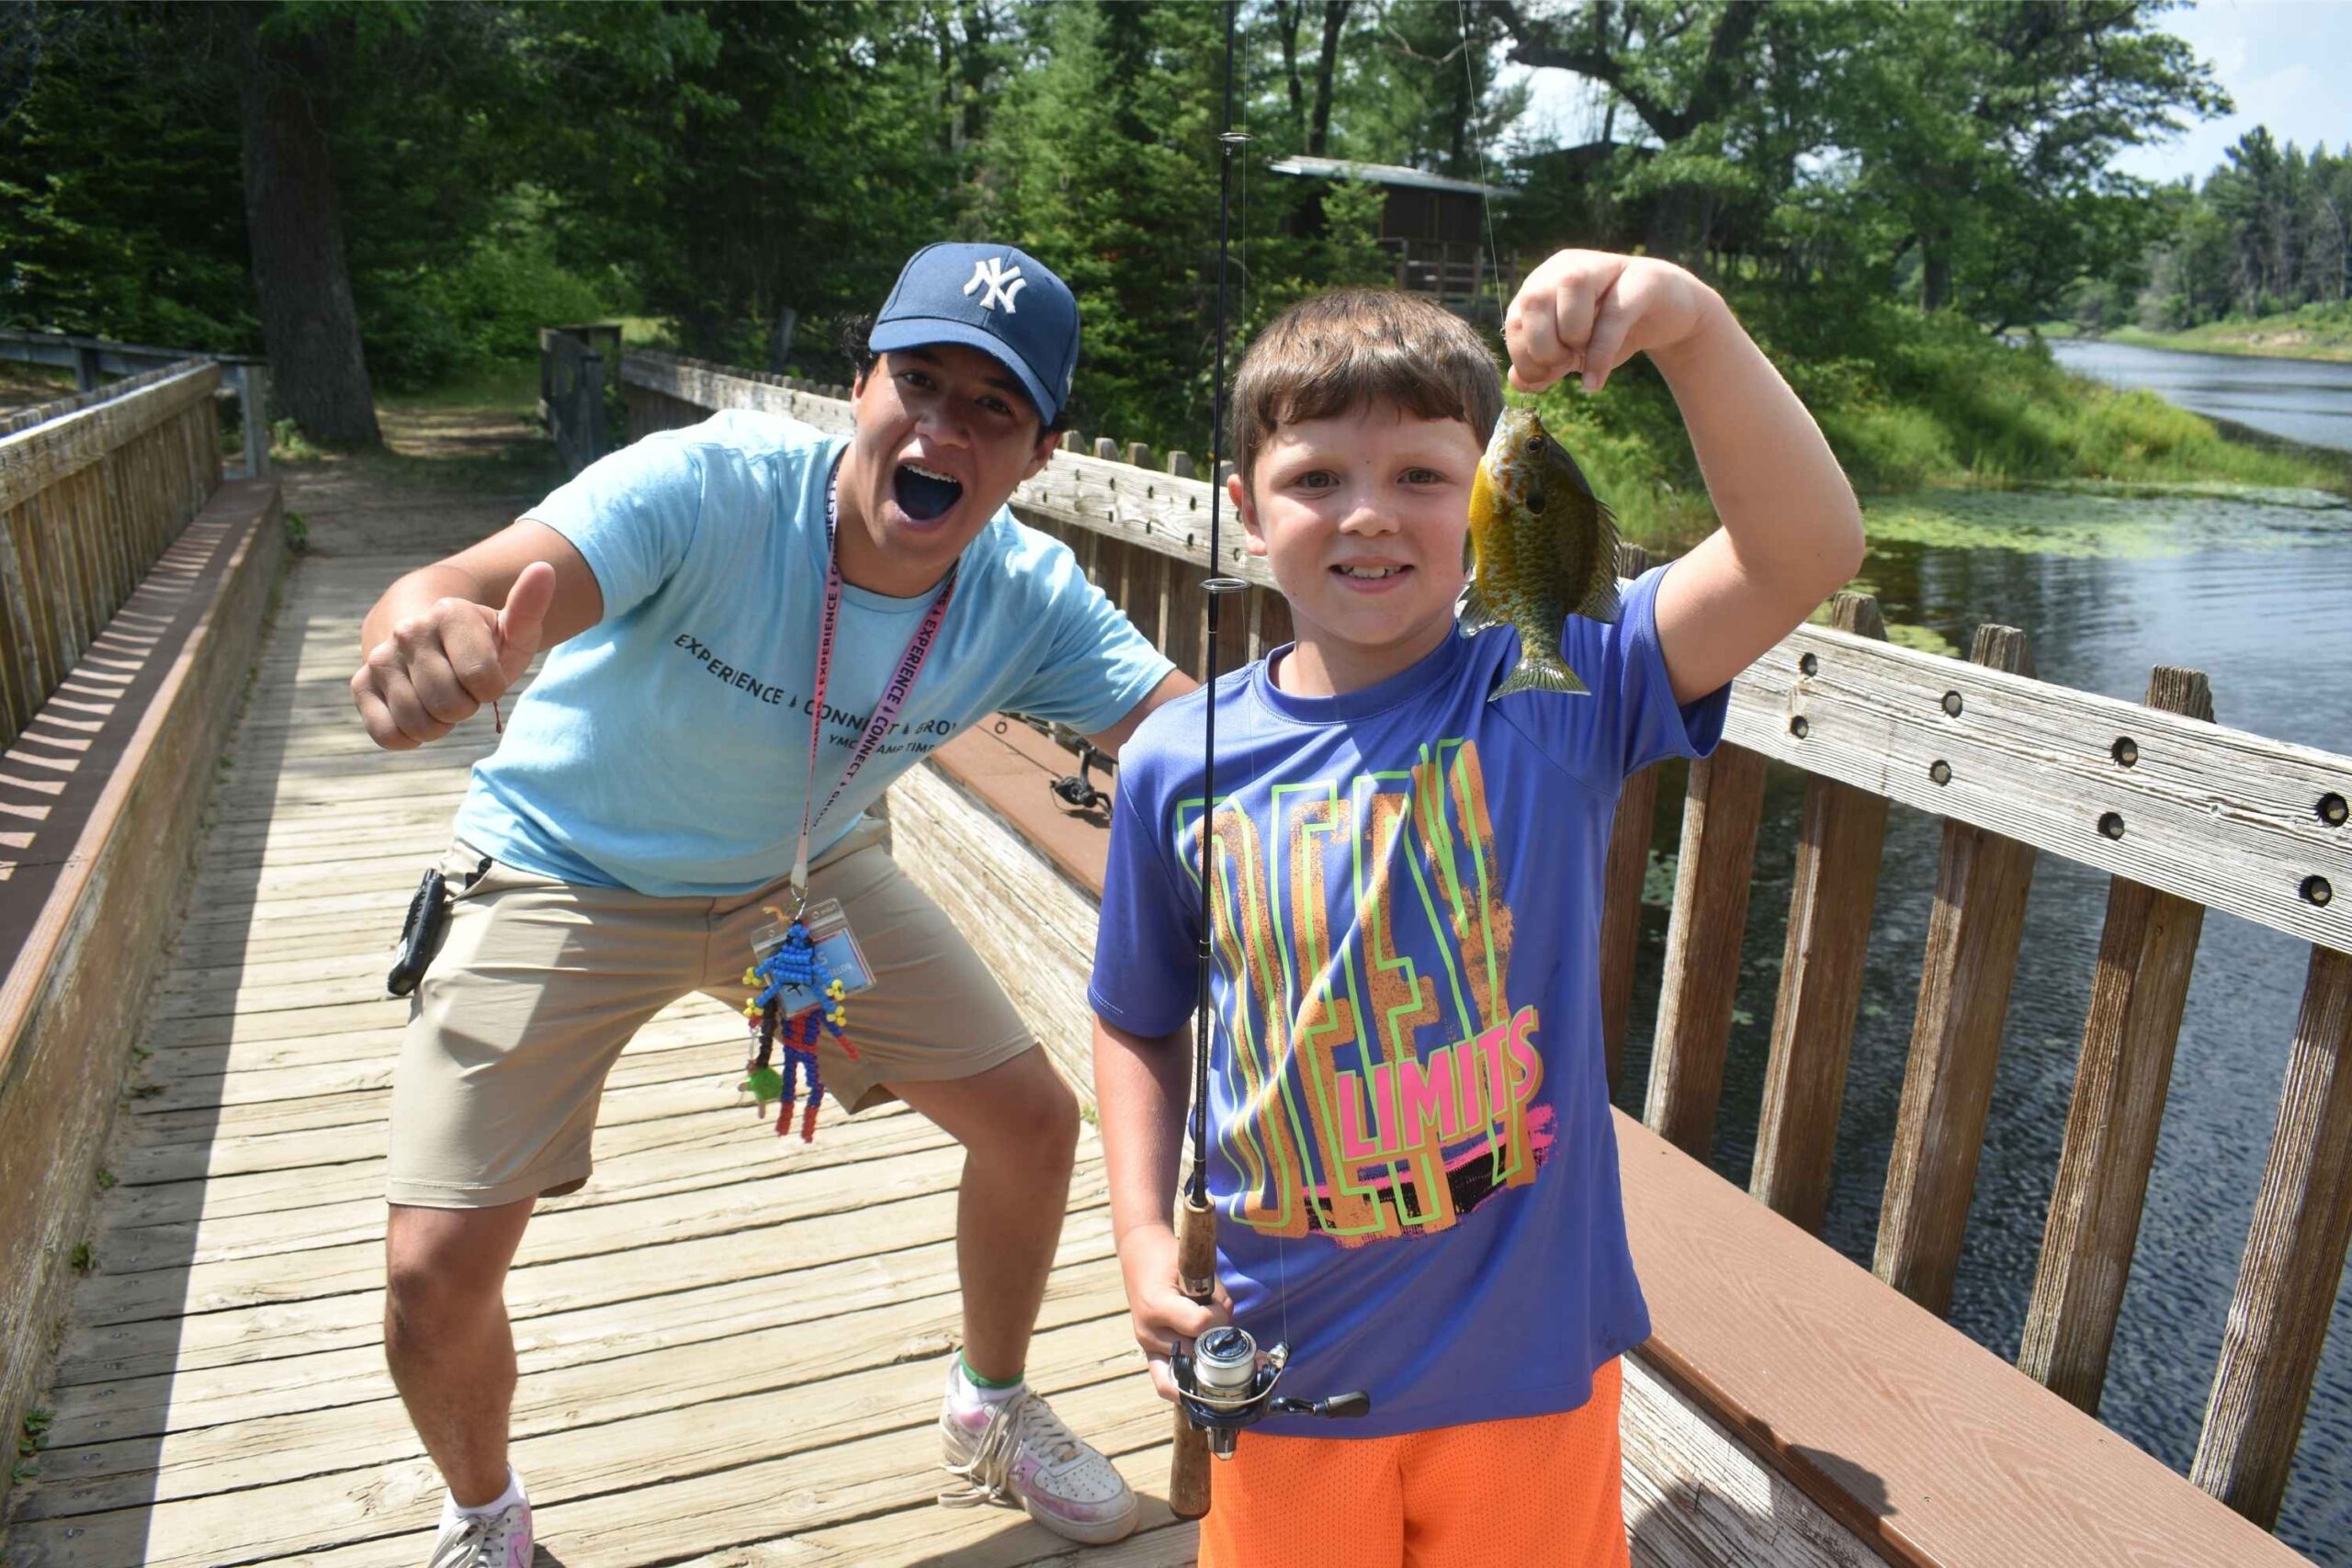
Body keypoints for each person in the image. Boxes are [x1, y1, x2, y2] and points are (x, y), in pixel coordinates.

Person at [351, 243, 1187, 1566]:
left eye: (994, 410)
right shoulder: (713, 484)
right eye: (917, 380)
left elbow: (1193, 739)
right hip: (562, 867)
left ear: (1039, 454)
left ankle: (990, 1408)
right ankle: (485, 1520)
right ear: (857, 385)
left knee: (1032, 1123)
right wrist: (425, 632)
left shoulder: (1025, 596)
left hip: (794, 877)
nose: (942, 428)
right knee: (429, 1272)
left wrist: (1378, 729)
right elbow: (454, 590)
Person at [1089, 254, 1864, 1566]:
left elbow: (1806, 548)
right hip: (1288, 1369)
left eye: (1422, 479)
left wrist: (1685, 318)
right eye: (1317, 478)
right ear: (1245, 505)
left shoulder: (1552, 684)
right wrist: (1140, 1233)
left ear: (1484, 502)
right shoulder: (1181, 756)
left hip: (1528, 1375)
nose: (1370, 517)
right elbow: (1137, 1016)